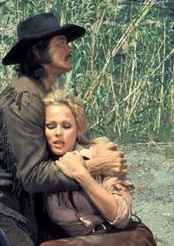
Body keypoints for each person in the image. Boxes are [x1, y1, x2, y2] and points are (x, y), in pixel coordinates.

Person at [0, 13, 127, 246]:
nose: (69, 48)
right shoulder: (24, 98)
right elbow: (33, 176)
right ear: (38, 52)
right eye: (61, 43)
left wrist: (99, 149)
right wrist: (95, 166)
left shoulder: (40, 95)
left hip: (26, 206)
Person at [39, 90, 157, 246]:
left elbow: (120, 217)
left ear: (77, 129)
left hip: (121, 236)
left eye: (66, 126)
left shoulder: (102, 153)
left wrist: (82, 174)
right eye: (50, 126)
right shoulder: (40, 169)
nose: (58, 133)